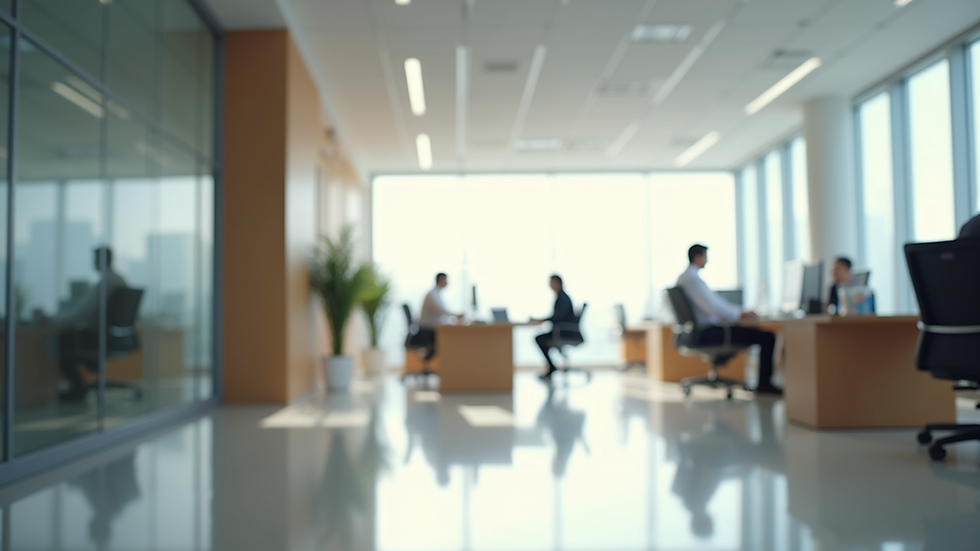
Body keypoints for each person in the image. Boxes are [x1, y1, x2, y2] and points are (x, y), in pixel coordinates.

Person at [676, 244, 781, 395]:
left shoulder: (685, 278)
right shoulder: (692, 279)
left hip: (699, 332)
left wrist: (738, 312)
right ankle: (764, 385)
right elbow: (714, 308)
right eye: (706, 256)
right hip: (708, 332)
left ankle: (757, 379)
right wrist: (740, 314)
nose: (707, 260)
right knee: (767, 337)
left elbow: (716, 305)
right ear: (698, 257)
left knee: (756, 335)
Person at [53, 247, 128, 402]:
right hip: (113, 337)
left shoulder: (105, 283)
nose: (92, 263)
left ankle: (78, 389)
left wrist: (52, 320)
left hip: (97, 338)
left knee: (57, 343)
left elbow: (81, 315)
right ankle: (80, 385)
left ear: (100, 260)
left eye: (94, 259)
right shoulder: (119, 280)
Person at [531, 274, 582, 380]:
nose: (549, 285)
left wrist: (542, 320)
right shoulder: (560, 297)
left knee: (540, 339)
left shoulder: (563, 298)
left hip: (564, 332)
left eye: (551, 283)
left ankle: (551, 367)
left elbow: (557, 317)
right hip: (563, 331)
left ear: (557, 283)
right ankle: (551, 367)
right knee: (541, 339)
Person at [416, 272, 463, 360]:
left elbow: (442, 312)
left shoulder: (436, 293)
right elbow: (440, 311)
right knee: (450, 340)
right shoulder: (432, 295)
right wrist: (456, 315)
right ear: (441, 280)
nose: (447, 282)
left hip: (432, 328)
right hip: (427, 331)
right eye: (446, 280)